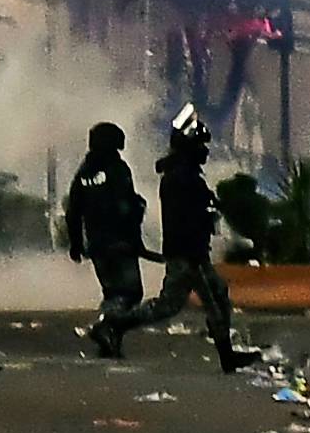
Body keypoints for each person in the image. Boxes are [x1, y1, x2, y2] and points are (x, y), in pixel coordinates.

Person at [100, 109, 262, 372]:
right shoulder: (180, 178)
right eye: (201, 146)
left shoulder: (184, 175)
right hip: (188, 253)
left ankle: (227, 354)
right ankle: (115, 324)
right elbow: (185, 219)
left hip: (192, 251)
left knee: (209, 297)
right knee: (178, 304)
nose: (205, 152)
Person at [63, 121, 148, 358]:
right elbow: (126, 205)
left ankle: (110, 338)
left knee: (112, 291)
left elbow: (74, 211)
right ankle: (105, 326)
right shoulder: (117, 169)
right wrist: (135, 233)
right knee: (130, 293)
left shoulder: (84, 172)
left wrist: (76, 243)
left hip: (97, 244)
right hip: (119, 241)